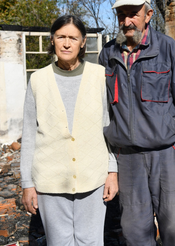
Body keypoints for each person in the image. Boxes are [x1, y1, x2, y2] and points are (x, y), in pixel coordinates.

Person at [98, 0, 175, 246]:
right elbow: (102, 111)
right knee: (135, 232)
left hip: (167, 155)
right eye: (121, 15)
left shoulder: (166, 49)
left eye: (133, 14)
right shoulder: (108, 56)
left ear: (147, 15)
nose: (126, 21)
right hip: (128, 159)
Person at [21, 15, 118, 246]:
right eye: (61, 37)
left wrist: (112, 172)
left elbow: (109, 127)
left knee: (91, 241)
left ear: (83, 42)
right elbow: (29, 135)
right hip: (49, 179)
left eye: (73, 38)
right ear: (52, 40)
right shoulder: (37, 80)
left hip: (93, 177)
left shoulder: (99, 76)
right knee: (59, 242)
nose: (66, 43)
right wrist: (27, 183)